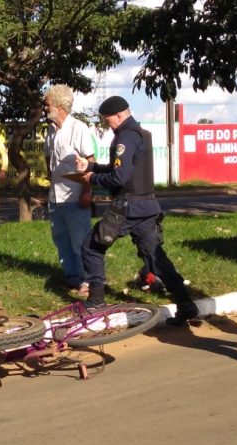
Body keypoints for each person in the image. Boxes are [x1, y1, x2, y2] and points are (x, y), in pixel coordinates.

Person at [72, 95, 198, 326]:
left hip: (126, 207)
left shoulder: (125, 137)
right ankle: (185, 304)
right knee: (156, 258)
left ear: (119, 115)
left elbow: (118, 177)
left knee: (91, 247)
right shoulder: (141, 133)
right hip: (147, 206)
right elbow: (122, 168)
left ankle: (96, 301)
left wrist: (91, 178)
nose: (106, 124)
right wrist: (91, 166)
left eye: (107, 119)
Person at [43, 84, 96, 295]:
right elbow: (48, 156)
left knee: (80, 241)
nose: (45, 108)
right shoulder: (50, 130)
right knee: (61, 240)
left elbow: (91, 161)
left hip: (75, 196)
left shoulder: (78, 128)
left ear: (59, 106)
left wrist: (86, 192)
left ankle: (88, 281)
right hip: (55, 197)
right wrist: (50, 174)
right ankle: (72, 277)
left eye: (47, 104)